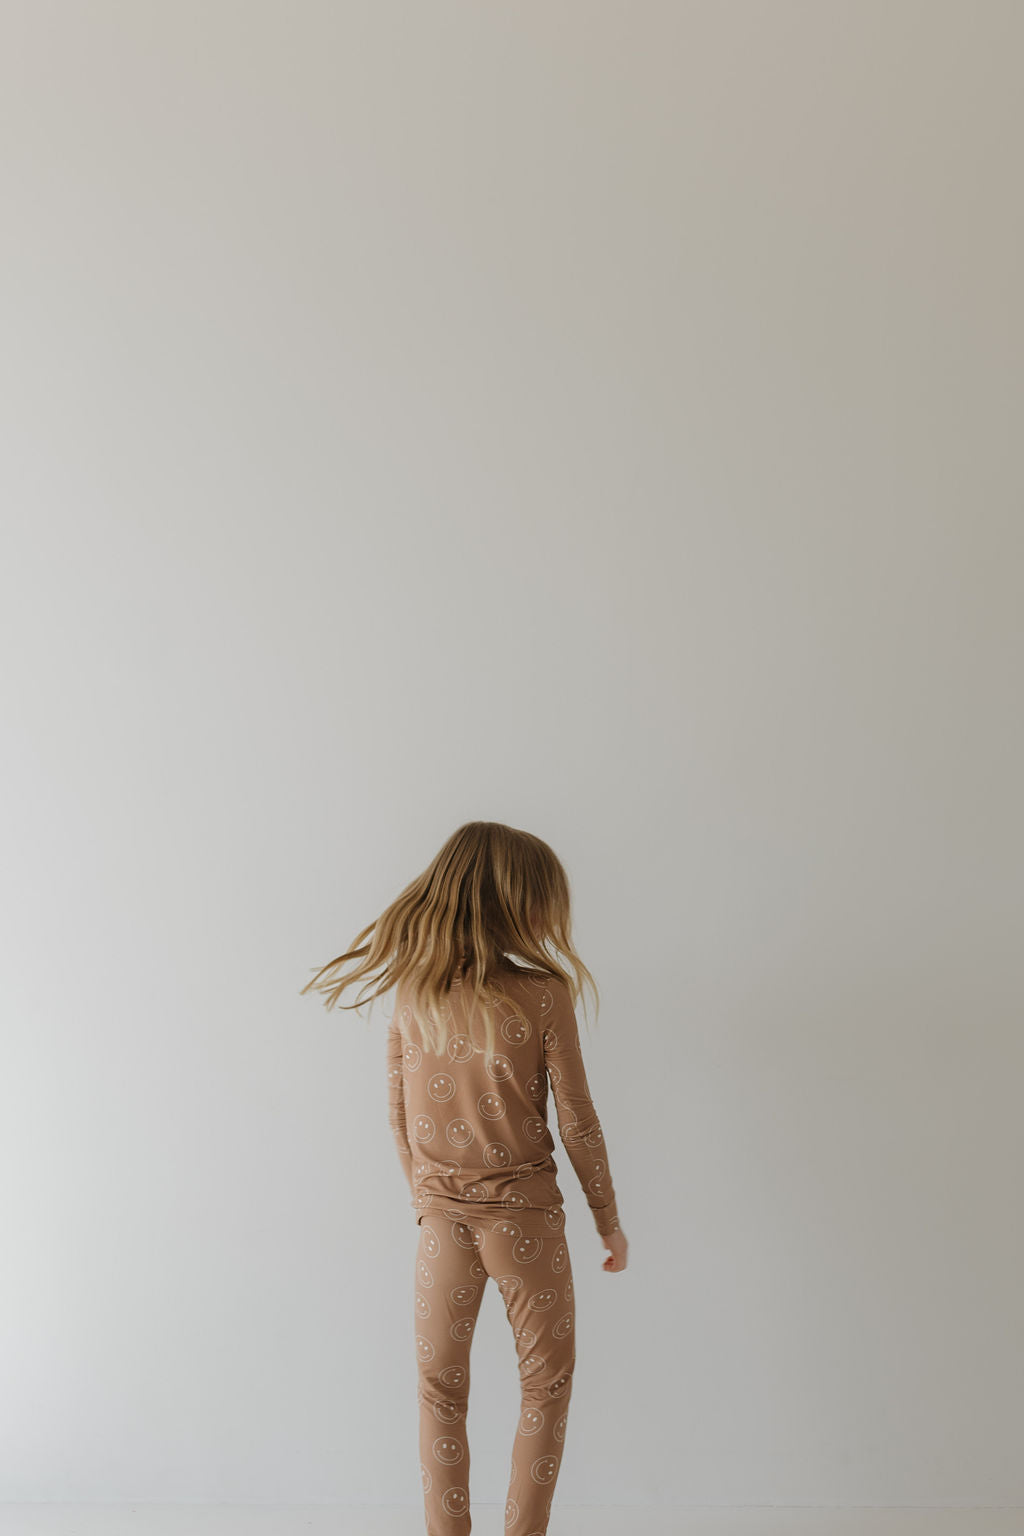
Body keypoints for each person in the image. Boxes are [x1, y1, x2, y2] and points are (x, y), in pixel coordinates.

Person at [301, 819, 628, 1535]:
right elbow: (577, 1119)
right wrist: (607, 1217)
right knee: (545, 1387)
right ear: (516, 902)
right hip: (529, 1223)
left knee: (439, 1394)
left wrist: (428, 1201)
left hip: (442, 1225)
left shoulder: (413, 993)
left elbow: (396, 1112)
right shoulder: (545, 993)